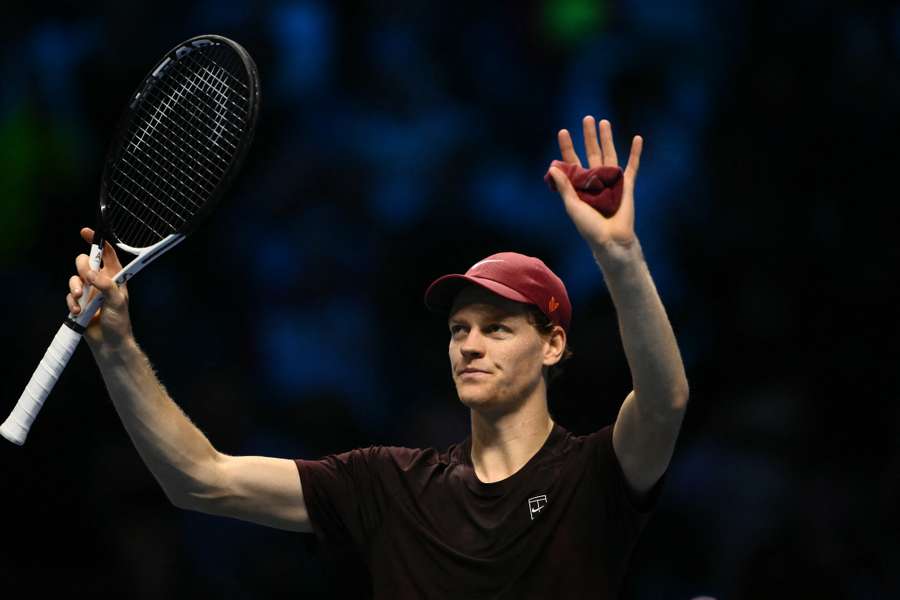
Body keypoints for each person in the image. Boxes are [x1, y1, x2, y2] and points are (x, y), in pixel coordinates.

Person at [67, 116, 689, 598]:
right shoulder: (388, 486)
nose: (469, 344)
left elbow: (665, 402)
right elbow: (200, 478)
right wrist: (117, 346)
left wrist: (620, 253)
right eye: (459, 329)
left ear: (552, 344)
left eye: (497, 329)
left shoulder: (593, 476)